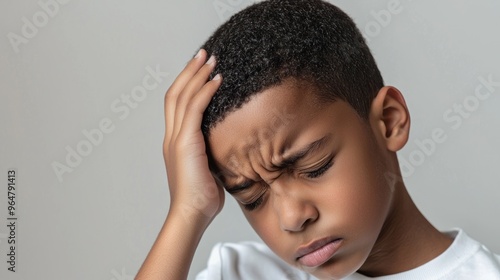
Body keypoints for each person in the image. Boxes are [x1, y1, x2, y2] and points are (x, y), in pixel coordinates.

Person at [135, 0, 500, 279]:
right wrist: (187, 211)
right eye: (252, 197)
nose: (291, 218)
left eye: (313, 166)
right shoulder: (244, 273)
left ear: (389, 122)